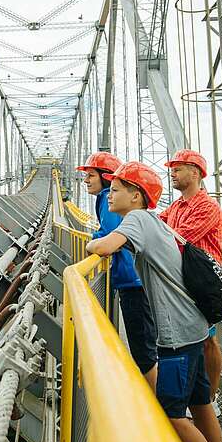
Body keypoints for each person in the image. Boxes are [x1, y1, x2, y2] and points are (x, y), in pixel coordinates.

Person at [85, 161, 222, 442]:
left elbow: (104, 247)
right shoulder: (157, 221)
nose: (110, 193)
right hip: (194, 328)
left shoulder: (138, 220)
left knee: (174, 415)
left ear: (136, 195)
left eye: (117, 188)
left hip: (176, 338)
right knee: (202, 407)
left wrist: (91, 245)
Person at [76, 152, 157, 388]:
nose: (86, 180)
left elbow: (109, 238)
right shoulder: (109, 199)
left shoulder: (104, 199)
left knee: (144, 350)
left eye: (91, 175)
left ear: (105, 177)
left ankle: (162, 409)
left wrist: (92, 241)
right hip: (136, 281)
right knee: (147, 345)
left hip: (133, 283)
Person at [161, 150, 222, 417]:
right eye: (172, 168)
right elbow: (158, 227)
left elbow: (178, 239)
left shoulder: (207, 207)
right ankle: (197, 395)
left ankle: (210, 397)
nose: (172, 173)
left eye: (178, 168)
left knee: (208, 341)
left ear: (196, 173)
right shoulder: (176, 207)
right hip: (184, 282)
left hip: (204, 284)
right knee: (194, 339)